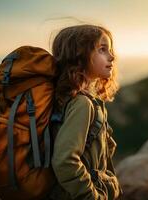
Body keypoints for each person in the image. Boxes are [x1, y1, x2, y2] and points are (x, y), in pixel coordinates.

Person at [48, 24, 122, 200]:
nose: (112, 56)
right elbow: (65, 161)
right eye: (102, 49)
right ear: (79, 56)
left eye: (110, 49)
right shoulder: (81, 104)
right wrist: (91, 196)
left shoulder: (64, 97)